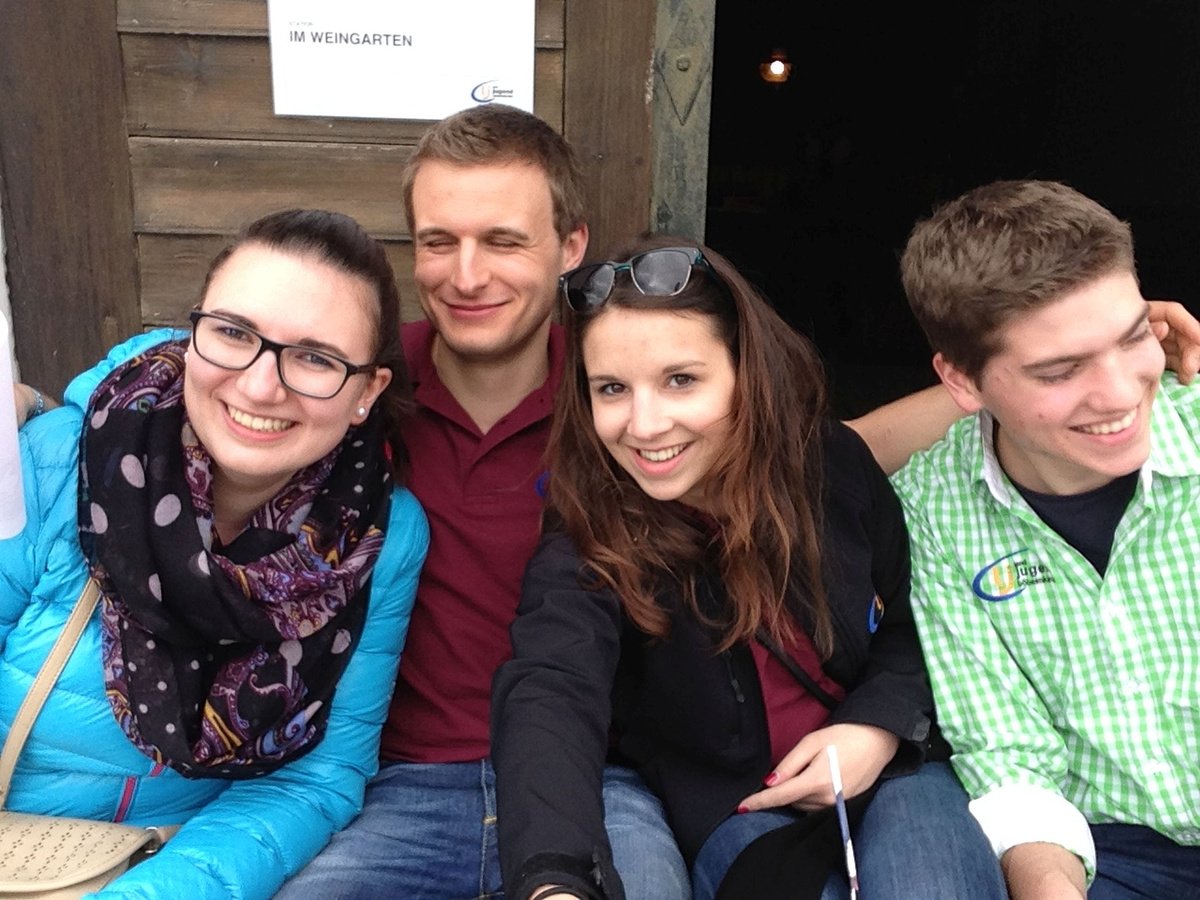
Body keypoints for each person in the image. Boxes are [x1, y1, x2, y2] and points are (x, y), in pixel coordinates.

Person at [491, 234, 1008, 900]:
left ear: (746, 372)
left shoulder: (830, 469)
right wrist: (554, 878)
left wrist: (877, 726)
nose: (645, 425)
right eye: (612, 388)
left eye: (681, 380)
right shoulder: (592, 534)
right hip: (741, 806)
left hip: (892, 771)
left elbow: (917, 620)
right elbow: (550, 690)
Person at [273, 106, 690, 898]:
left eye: (502, 241)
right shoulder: (358, 385)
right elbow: (214, 387)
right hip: (392, 788)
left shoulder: (620, 396)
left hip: (597, 782)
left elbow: (796, 444)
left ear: (570, 247)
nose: (466, 277)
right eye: (439, 241)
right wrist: (38, 402)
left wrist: (956, 389)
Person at [0, 209, 429, 898]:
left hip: (174, 864)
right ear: (193, 332)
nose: (260, 386)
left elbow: (315, 778)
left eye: (315, 358)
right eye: (233, 333)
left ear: (367, 392)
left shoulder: (377, 537)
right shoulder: (58, 464)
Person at [891, 179, 1200, 899]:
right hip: (1106, 854)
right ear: (961, 383)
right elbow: (1009, 757)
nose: (1120, 393)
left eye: (1135, 338)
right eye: (1061, 371)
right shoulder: (931, 510)